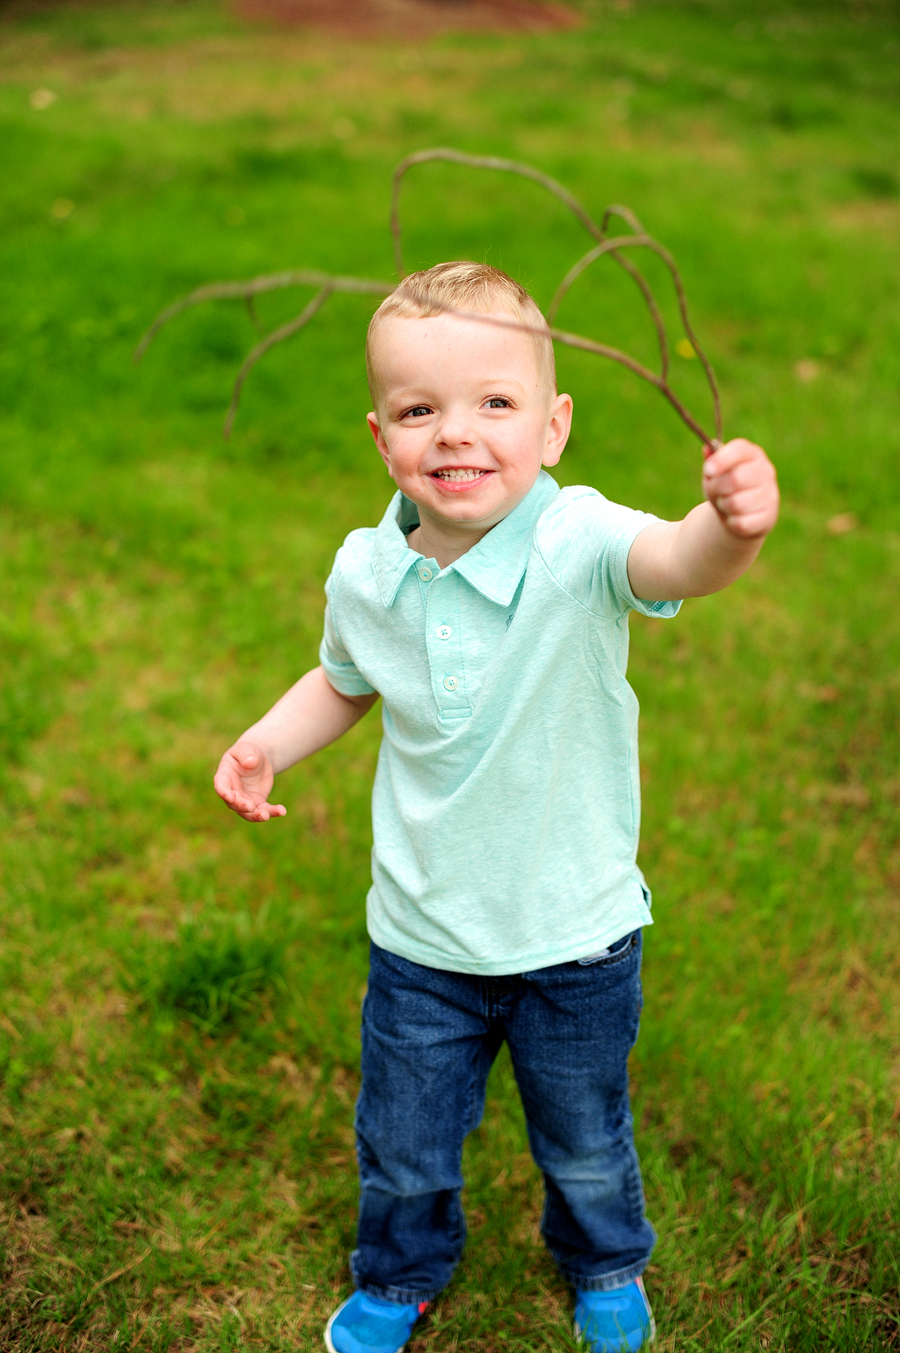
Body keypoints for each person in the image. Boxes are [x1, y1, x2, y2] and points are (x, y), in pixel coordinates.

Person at [213, 262, 779, 1353]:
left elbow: (678, 559)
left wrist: (733, 528)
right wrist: (266, 743)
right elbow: (342, 679)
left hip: (573, 935)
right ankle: (401, 1271)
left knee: (582, 1137)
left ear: (555, 427)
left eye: (496, 404)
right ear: (381, 437)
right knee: (407, 1141)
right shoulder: (369, 572)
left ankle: (605, 1261)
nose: (456, 434)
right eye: (420, 409)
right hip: (423, 935)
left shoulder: (580, 545)